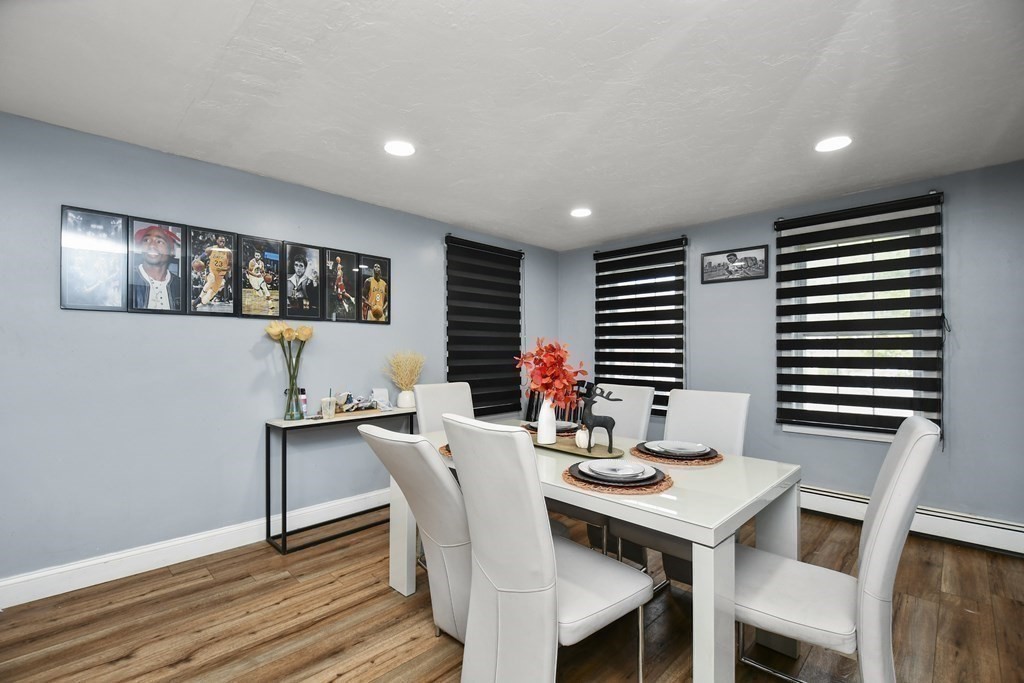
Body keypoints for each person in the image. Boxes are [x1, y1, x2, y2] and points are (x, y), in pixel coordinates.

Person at [131, 224, 181, 310]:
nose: (152, 245)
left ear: (172, 251)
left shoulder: (181, 286)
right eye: (146, 240)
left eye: (159, 241)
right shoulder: (125, 280)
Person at [193, 235, 232, 308]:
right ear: (217, 241)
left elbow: (230, 266)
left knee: (210, 295)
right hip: (210, 271)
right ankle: (199, 298)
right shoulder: (210, 249)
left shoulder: (228, 252)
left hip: (220, 275)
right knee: (211, 280)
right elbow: (199, 259)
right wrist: (200, 270)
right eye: (220, 241)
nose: (222, 243)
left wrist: (223, 269)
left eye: (223, 241)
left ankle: (196, 305)